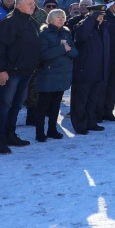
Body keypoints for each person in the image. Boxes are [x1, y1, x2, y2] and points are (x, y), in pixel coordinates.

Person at [0, 0, 42, 154]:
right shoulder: (10, 22)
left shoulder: (31, 21)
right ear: (19, 6)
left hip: (26, 70)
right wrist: (1, 70)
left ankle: (10, 133)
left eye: (33, 3)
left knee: (17, 105)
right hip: (11, 71)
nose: (34, 6)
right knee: (5, 104)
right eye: (30, 4)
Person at [34, 8, 77, 141]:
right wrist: (62, 49)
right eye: (58, 17)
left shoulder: (66, 33)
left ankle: (52, 129)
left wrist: (67, 51)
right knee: (43, 105)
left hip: (62, 74)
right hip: (48, 73)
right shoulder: (44, 34)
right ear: (50, 19)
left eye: (63, 17)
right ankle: (40, 132)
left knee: (56, 104)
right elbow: (43, 54)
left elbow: (75, 53)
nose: (61, 20)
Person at [71, 4, 109, 133]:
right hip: (84, 70)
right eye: (99, 15)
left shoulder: (102, 28)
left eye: (102, 15)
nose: (101, 18)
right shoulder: (82, 25)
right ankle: (80, 125)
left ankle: (91, 122)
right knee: (80, 100)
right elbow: (81, 37)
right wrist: (90, 19)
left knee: (93, 99)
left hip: (98, 69)